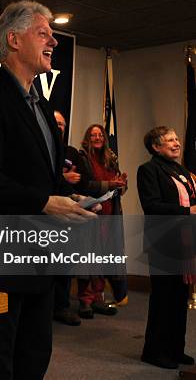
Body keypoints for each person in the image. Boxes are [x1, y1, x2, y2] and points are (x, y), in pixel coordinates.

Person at [0, 0, 97, 380]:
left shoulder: (42, 104)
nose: (53, 40)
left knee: (36, 352)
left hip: (44, 254)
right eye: (43, 33)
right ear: (14, 39)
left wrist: (67, 200)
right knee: (5, 356)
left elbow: (44, 175)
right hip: (7, 253)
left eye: (52, 34)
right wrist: (43, 202)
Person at [137, 126, 195, 369]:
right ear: (155, 147)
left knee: (180, 298)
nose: (176, 143)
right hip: (163, 242)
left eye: (177, 138)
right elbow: (152, 206)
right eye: (170, 140)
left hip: (185, 242)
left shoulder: (181, 171)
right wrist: (186, 212)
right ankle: (155, 352)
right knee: (164, 298)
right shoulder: (148, 170)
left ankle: (175, 348)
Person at [73, 124, 128, 318]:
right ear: (87, 138)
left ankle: (98, 298)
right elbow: (86, 185)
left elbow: (120, 185)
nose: (97, 138)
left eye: (100, 135)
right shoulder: (82, 158)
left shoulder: (110, 159)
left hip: (110, 214)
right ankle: (84, 300)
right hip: (91, 214)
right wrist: (111, 184)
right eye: (93, 135)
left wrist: (121, 185)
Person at [52, 111, 82, 326]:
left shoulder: (70, 151)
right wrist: (64, 178)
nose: (60, 127)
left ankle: (61, 306)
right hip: (44, 214)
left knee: (64, 264)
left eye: (63, 124)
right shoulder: (44, 147)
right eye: (56, 123)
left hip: (68, 213)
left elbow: (84, 178)